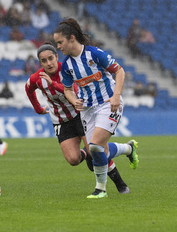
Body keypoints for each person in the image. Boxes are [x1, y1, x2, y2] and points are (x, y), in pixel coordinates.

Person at [25, 42, 133, 195]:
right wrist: (37, 108)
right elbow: (28, 88)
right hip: (61, 120)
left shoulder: (68, 69)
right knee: (73, 159)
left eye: (51, 58)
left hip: (80, 113)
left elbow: (74, 92)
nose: (49, 63)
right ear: (40, 63)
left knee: (97, 149)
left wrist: (54, 84)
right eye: (44, 61)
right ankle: (90, 152)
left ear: (57, 57)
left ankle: (121, 185)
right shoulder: (37, 78)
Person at [54, 18, 139, 198]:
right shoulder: (67, 66)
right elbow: (67, 89)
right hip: (87, 110)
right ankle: (128, 149)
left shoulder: (94, 54)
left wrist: (116, 96)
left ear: (71, 38)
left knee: (94, 147)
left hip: (108, 104)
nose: (58, 47)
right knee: (100, 150)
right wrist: (73, 99)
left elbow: (120, 71)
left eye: (60, 42)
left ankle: (100, 189)